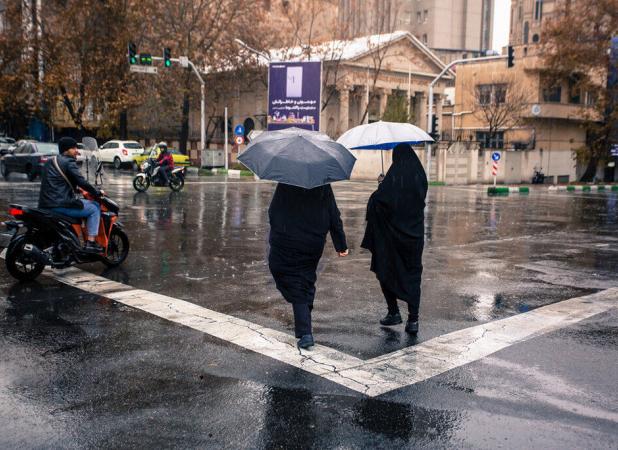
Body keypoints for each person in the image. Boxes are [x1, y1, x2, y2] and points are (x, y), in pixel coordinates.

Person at [268, 183, 348, 349]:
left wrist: (278, 232)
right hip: (314, 242)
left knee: (292, 281)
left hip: (288, 239)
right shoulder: (322, 183)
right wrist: (341, 244)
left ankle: (305, 331)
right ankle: (304, 311)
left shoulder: (287, 181)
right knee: (305, 278)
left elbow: (273, 211)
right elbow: (334, 214)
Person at [361, 143, 427, 335]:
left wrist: (381, 185)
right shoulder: (419, 176)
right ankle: (413, 320)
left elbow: (379, 202)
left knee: (385, 270)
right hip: (414, 238)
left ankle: (393, 311)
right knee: (413, 276)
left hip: (391, 240)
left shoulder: (394, 178)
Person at [38, 137, 104, 253]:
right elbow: (81, 181)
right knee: (94, 207)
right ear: (66, 150)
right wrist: (97, 192)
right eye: (74, 148)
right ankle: (91, 242)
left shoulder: (50, 161)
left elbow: (57, 183)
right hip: (61, 204)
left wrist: (79, 190)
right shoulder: (68, 162)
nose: (77, 151)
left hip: (45, 204)